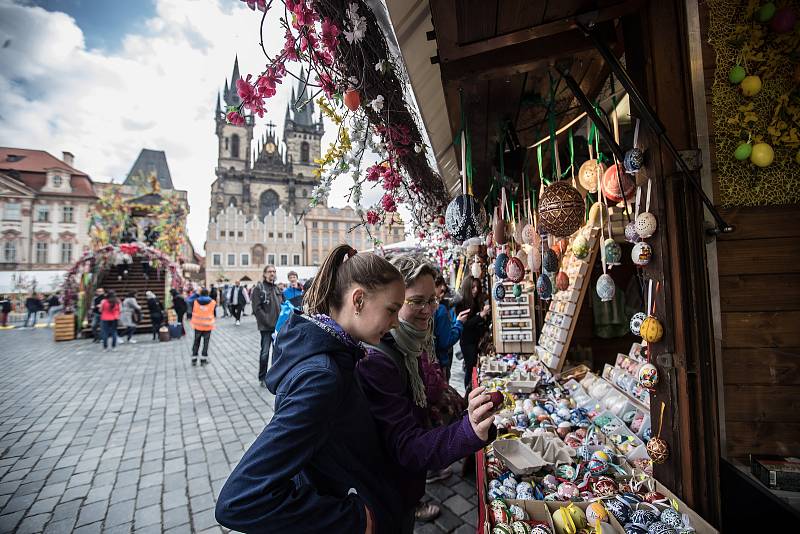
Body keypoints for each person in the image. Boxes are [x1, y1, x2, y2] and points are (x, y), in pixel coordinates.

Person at [216, 244, 407, 533]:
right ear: (358, 300)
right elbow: (240, 500)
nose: (395, 323)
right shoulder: (321, 377)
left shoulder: (340, 351)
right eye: (391, 310)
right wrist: (350, 520)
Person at [357, 255, 496, 530]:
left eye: (432, 300)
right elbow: (405, 447)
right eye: (417, 301)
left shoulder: (416, 342)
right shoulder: (378, 358)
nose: (429, 309)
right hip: (388, 494)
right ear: (394, 299)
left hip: (407, 485)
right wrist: (467, 431)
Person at [458, 275, 492, 393]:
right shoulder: (461, 303)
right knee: (471, 368)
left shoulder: (477, 300)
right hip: (467, 342)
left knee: (475, 368)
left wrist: (485, 316)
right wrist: (480, 315)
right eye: (472, 287)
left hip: (478, 341)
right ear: (467, 288)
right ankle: (469, 392)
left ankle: (474, 388)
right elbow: (465, 325)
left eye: (477, 287)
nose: (475, 290)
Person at [433, 276, 469, 382]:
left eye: (445, 291)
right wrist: (459, 323)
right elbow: (446, 341)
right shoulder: (440, 309)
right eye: (441, 290)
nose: (443, 294)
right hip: (440, 361)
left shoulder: (437, 306)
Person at [252, 265, 283, 387]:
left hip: (278, 328)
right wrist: (268, 321)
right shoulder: (259, 288)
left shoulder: (277, 288)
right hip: (266, 327)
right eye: (270, 271)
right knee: (265, 353)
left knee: (277, 354)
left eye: (274, 271)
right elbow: (256, 309)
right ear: (264, 274)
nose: (272, 273)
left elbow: (283, 305)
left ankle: (274, 377)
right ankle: (262, 377)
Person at [190, 288, 216, 366]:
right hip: (207, 326)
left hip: (197, 325)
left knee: (196, 342)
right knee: (206, 343)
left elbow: (188, 299)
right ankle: (203, 359)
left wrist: (196, 294)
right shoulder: (212, 302)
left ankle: (194, 358)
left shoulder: (195, 302)